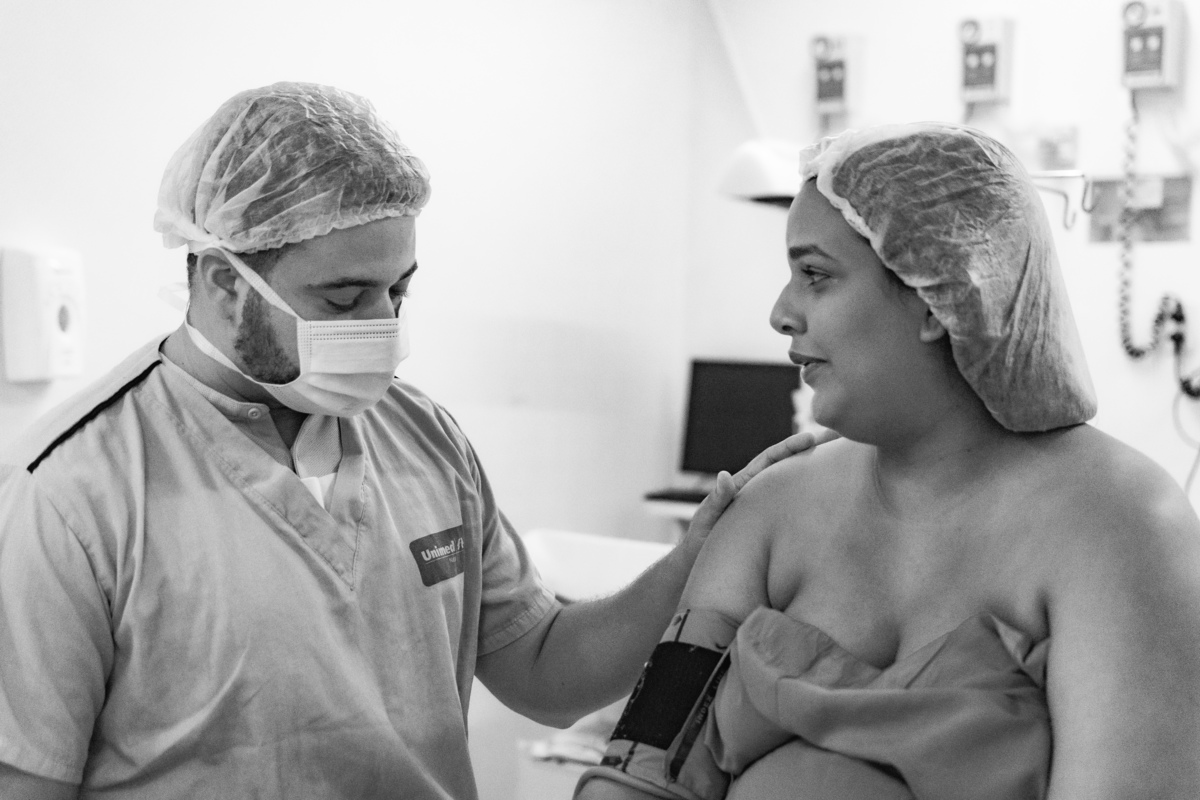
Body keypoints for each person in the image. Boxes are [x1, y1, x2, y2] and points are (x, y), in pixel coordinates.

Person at [0, 82, 833, 799]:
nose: (386, 329)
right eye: (343, 298)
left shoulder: (420, 437)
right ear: (224, 280)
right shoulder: (70, 490)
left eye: (400, 289)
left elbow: (545, 672)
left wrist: (696, 558)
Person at [576, 122, 1200, 800]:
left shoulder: (1123, 526)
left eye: (815, 275)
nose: (781, 314)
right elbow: (642, 773)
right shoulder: (769, 511)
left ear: (938, 295)